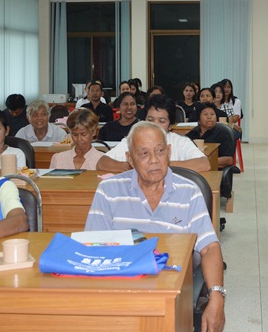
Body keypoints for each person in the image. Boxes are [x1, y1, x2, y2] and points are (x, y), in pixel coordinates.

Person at [85, 122, 225, 332]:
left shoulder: (189, 191)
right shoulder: (108, 191)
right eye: (144, 153)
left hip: (172, 291)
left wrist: (217, 297)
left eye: (160, 151)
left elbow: (210, 247)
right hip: (120, 289)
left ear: (168, 152)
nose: (154, 160)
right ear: (130, 159)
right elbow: (91, 247)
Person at [98, 95, 210, 173]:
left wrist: (162, 164)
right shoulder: (132, 140)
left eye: (162, 121)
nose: (155, 125)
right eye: (150, 120)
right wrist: (132, 165)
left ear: (170, 125)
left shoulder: (180, 142)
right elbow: (102, 163)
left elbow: (204, 164)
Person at [186, 102, 235, 168]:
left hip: (215, 170)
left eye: (212, 114)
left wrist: (205, 162)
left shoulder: (223, 133)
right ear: (199, 119)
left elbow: (229, 160)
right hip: (194, 169)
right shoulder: (193, 133)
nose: (209, 117)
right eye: (205, 114)